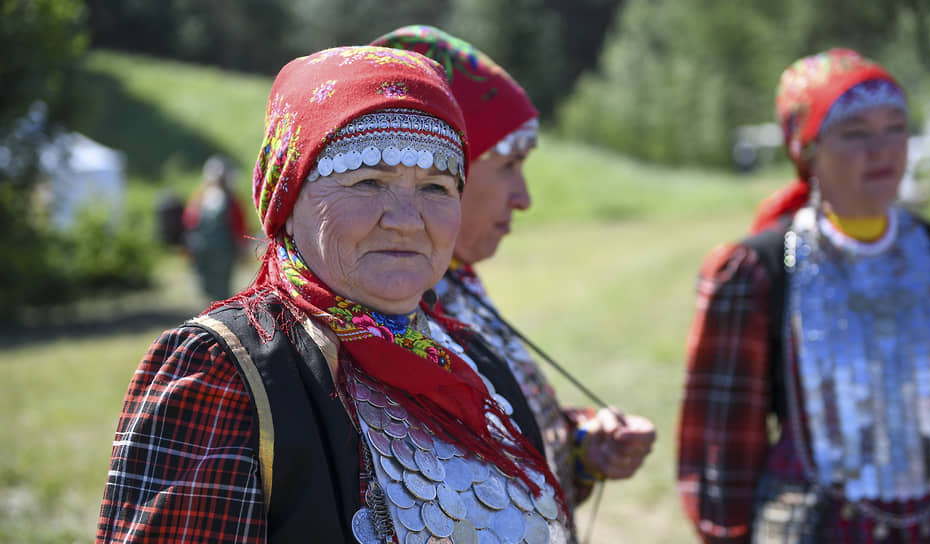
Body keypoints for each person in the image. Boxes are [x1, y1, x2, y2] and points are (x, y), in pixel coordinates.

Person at [97, 46, 576, 543]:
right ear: (288, 193)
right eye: (369, 181)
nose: (407, 220)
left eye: (435, 187)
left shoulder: (476, 362)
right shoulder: (226, 372)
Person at [677, 48, 930, 543]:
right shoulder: (757, 272)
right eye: (854, 133)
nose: (882, 150)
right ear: (807, 150)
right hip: (815, 527)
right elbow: (722, 444)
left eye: (895, 127)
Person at [372, 25, 656, 509]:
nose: (523, 198)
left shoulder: (455, 280)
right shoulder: (376, 313)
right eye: (508, 166)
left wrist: (580, 446)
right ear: (443, 169)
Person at [181, 154, 248, 300]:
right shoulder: (201, 196)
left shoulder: (231, 200)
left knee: (221, 287)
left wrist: (242, 247)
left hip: (221, 252)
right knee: (206, 285)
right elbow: (190, 221)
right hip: (204, 250)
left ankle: (220, 312)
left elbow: (239, 225)